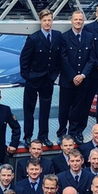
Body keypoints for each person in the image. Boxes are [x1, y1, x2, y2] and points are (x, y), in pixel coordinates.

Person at [20, 9, 62, 147]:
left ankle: (43, 136)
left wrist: (54, 75)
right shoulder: (33, 38)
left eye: (49, 20)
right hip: (33, 79)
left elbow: (58, 58)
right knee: (29, 109)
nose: (47, 23)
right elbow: (24, 59)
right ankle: (27, 136)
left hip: (47, 80)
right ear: (40, 21)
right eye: (44, 20)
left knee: (46, 109)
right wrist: (28, 76)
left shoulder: (57, 36)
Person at [58, 10, 96, 142]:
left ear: (83, 21)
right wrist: (73, 76)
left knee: (78, 108)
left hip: (83, 80)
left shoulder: (89, 37)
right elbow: (62, 58)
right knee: (64, 108)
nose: (78, 22)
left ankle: (74, 132)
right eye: (76, 19)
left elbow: (91, 59)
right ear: (71, 21)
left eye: (80, 19)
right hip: (67, 80)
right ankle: (62, 132)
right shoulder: (64, 37)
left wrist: (83, 75)